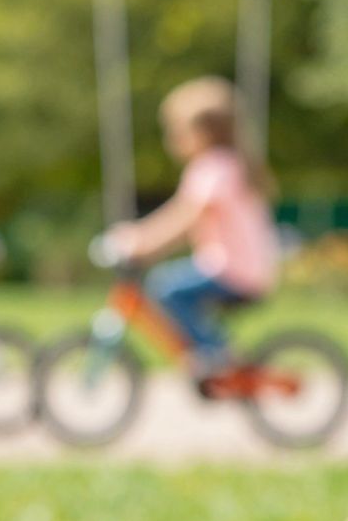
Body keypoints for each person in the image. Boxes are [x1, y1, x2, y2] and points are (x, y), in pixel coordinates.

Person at [105, 76, 280, 386]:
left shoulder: (217, 168)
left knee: (165, 287)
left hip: (234, 271)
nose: (172, 139)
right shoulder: (220, 166)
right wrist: (140, 235)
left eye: (178, 131)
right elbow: (179, 213)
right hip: (231, 267)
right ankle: (214, 352)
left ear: (204, 133)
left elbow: (186, 220)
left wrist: (142, 243)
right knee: (171, 287)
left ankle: (215, 356)